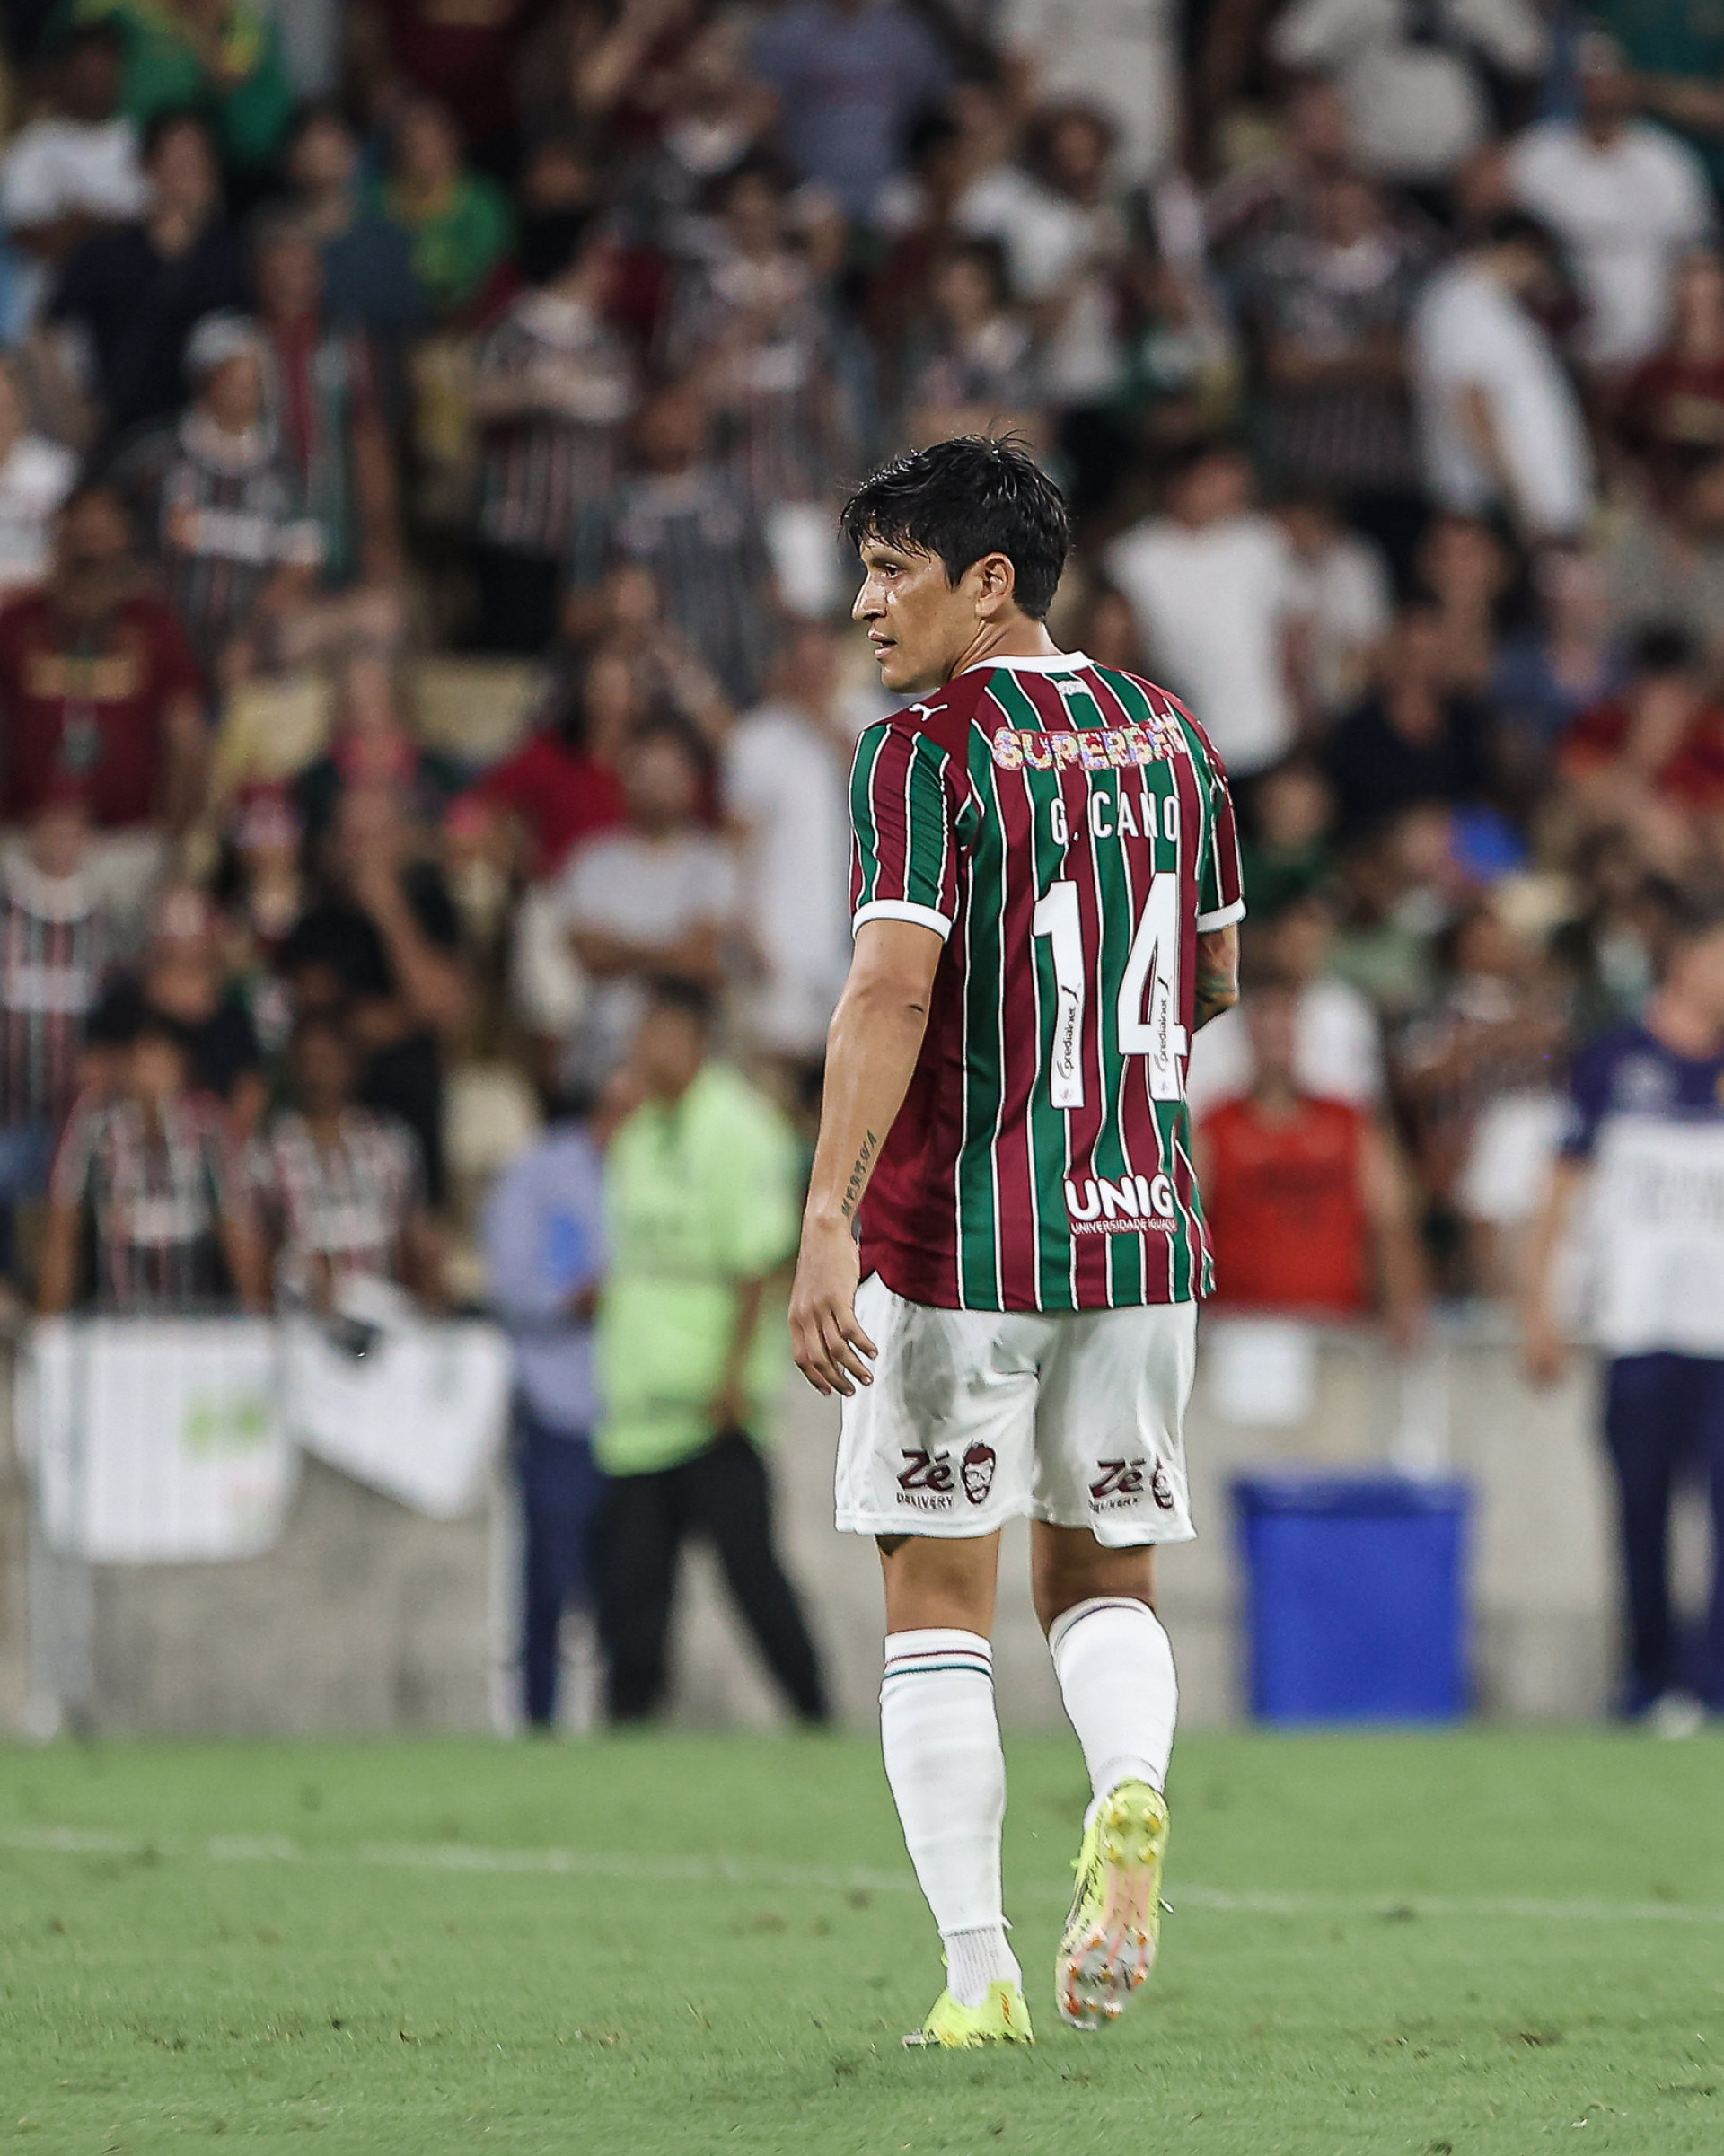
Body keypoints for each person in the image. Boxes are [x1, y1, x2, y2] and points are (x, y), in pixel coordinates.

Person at [788, 437, 1244, 2046]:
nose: (863, 607)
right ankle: (1128, 1793)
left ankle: (980, 1977)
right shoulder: (1174, 734)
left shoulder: (923, 753)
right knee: (1102, 1574)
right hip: (1139, 1233)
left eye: (893, 572)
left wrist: (830, 1209)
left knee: (935, 1597)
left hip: (961, 1242)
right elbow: (1214, 983)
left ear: (990, 584)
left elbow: (891, 989)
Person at [595, 977, 828, 1726]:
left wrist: (733, 1377)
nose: (640, 1045)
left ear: (693, 1037)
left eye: (655, 1029)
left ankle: (815, 1713)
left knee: (752, 1577)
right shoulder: (633, 1136)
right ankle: (628, 1732)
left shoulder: (740, 1128)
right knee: (632, 1591)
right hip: (639, 1412)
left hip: (714, 1407)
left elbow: (758, 1261)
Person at [1522, 904, 1724, 1729]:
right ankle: (1649, 1679)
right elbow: (1561, 1194)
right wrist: (1543, 1306)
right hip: (1637, 1326)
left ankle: (1709, 1683)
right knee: (1640, 1510)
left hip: (1719, 1332)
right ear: (1685, 960)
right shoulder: (1615, 1061)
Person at [0, 483, 206, 925]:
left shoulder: (156, 625)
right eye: (81, 529)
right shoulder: (17, 622)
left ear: (126, 537)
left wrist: (175, 836)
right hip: (21, 843)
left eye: (104, 529)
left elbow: (185, 732)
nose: (91, 538)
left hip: (124, 845)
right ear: (60, 534)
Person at [1195, 981, 1426, 1342]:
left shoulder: (1349, 1124)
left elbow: (1391, 1222)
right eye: (1265, 1030)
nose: (1275, 1041)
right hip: (1239, 1330)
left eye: (1283, 1029)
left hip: (1339, 1328)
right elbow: (1187, 1228)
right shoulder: (1214, 1129)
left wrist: (1405, 1307)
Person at [482, 1078, 609, 1730]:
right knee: (550, 1587)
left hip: (639, 1415)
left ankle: (622, 1725)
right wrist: (574, 1298)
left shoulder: (652, 1171)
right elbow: (508, 1282)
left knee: (627, 1591)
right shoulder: (539, 1177)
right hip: (560, 1404)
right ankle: (537, 1720)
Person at [107, 311, 323, 686]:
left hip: (249, 652)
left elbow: (299, 564)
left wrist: (248, 639)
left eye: (255, 382)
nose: (249, 393)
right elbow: (104, 517)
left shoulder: (283, 473)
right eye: (236, 380)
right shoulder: (155, 457)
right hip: (158, 641)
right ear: (206, 381)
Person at [470, 213, 638, 654]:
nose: (612, 271)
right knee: (518, 655)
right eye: (602, 259)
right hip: (522, 530)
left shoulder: (609, 341)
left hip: (592, 534)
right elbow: (474, 401)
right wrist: (535, 390)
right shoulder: (514, 332)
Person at [38, 1003, 268, 1312]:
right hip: (114, 1321)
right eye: (140, 1059)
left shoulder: (208, 1126)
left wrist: (261, 1323)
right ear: (123, 1066)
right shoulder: (92, 1125)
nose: (150, 1074)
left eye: (162, 1059)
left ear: (183, 1066)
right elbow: (63, 1229)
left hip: (198, 1321)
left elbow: (238, 1230)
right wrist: (49, 1330)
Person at [1508, 31, 1712, 376]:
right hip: (1562, 347)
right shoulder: (1536, 157)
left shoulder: (1667, 160)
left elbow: (1695, 257)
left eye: (1608, 82)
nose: (1599, 93)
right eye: (1590, 82)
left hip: (1653, 344)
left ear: (1628, 84)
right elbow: (1511, 249)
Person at [549, 720, 735, 1087]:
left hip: (685, 1069)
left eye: (668, 774)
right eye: (645, 773)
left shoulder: (713, 864)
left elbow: (701, 958)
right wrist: (672, 948)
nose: (656, 787)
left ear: (691, 782)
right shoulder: (590, 863)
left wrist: (621, 948)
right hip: (601, 1064)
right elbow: (589, 955)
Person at [46, 108, 249, 444]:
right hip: (111, 437)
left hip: (198, 444)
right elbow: (53, 339)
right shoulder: (102, 254)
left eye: (199, 156)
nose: (190, 168)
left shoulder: (230, 259)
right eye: (179, 156)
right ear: (147, 165)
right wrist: (75, 412)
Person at [1104, 439, 1303, 779]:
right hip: (1179, 739)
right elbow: (1115, 648)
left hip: (1269, 730)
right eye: (1213, 480)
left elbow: (1290, 629)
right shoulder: (1134, 557)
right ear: (1178, 485)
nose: (1228, 490)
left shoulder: (1262, 541)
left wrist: (1300, 700)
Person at [1409, 214, 1594, 543]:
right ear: (1524, 252)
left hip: (1515, 505)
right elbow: (1471, 404)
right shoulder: (1463, 305)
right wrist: (1517, 501)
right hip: (1495, 506)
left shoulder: (1492, 305)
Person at [251, 1009, 442, 1309]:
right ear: (292, 1068)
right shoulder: (269, 1150)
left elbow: (415, 1231)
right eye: (308, 1061)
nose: (318, 1074)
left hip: (385, 1315)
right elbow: (256, 1244)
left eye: (328, 1060)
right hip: (301, 1320)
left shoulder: (390, 1142)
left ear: (352, 1063)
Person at [0, 799, 112, 1298]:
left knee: (73, 1217)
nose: (61, 841)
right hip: (8, 1112)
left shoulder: (105, 926)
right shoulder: (7, 915)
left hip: (78, 1118)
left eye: (73, 829)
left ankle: (67, 1310)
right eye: (51, 827)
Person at [0, 354, 77, 598]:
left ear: (21, 407)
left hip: (38, 602)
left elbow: (69, 548)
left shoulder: (57, 470)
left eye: (4, 409)